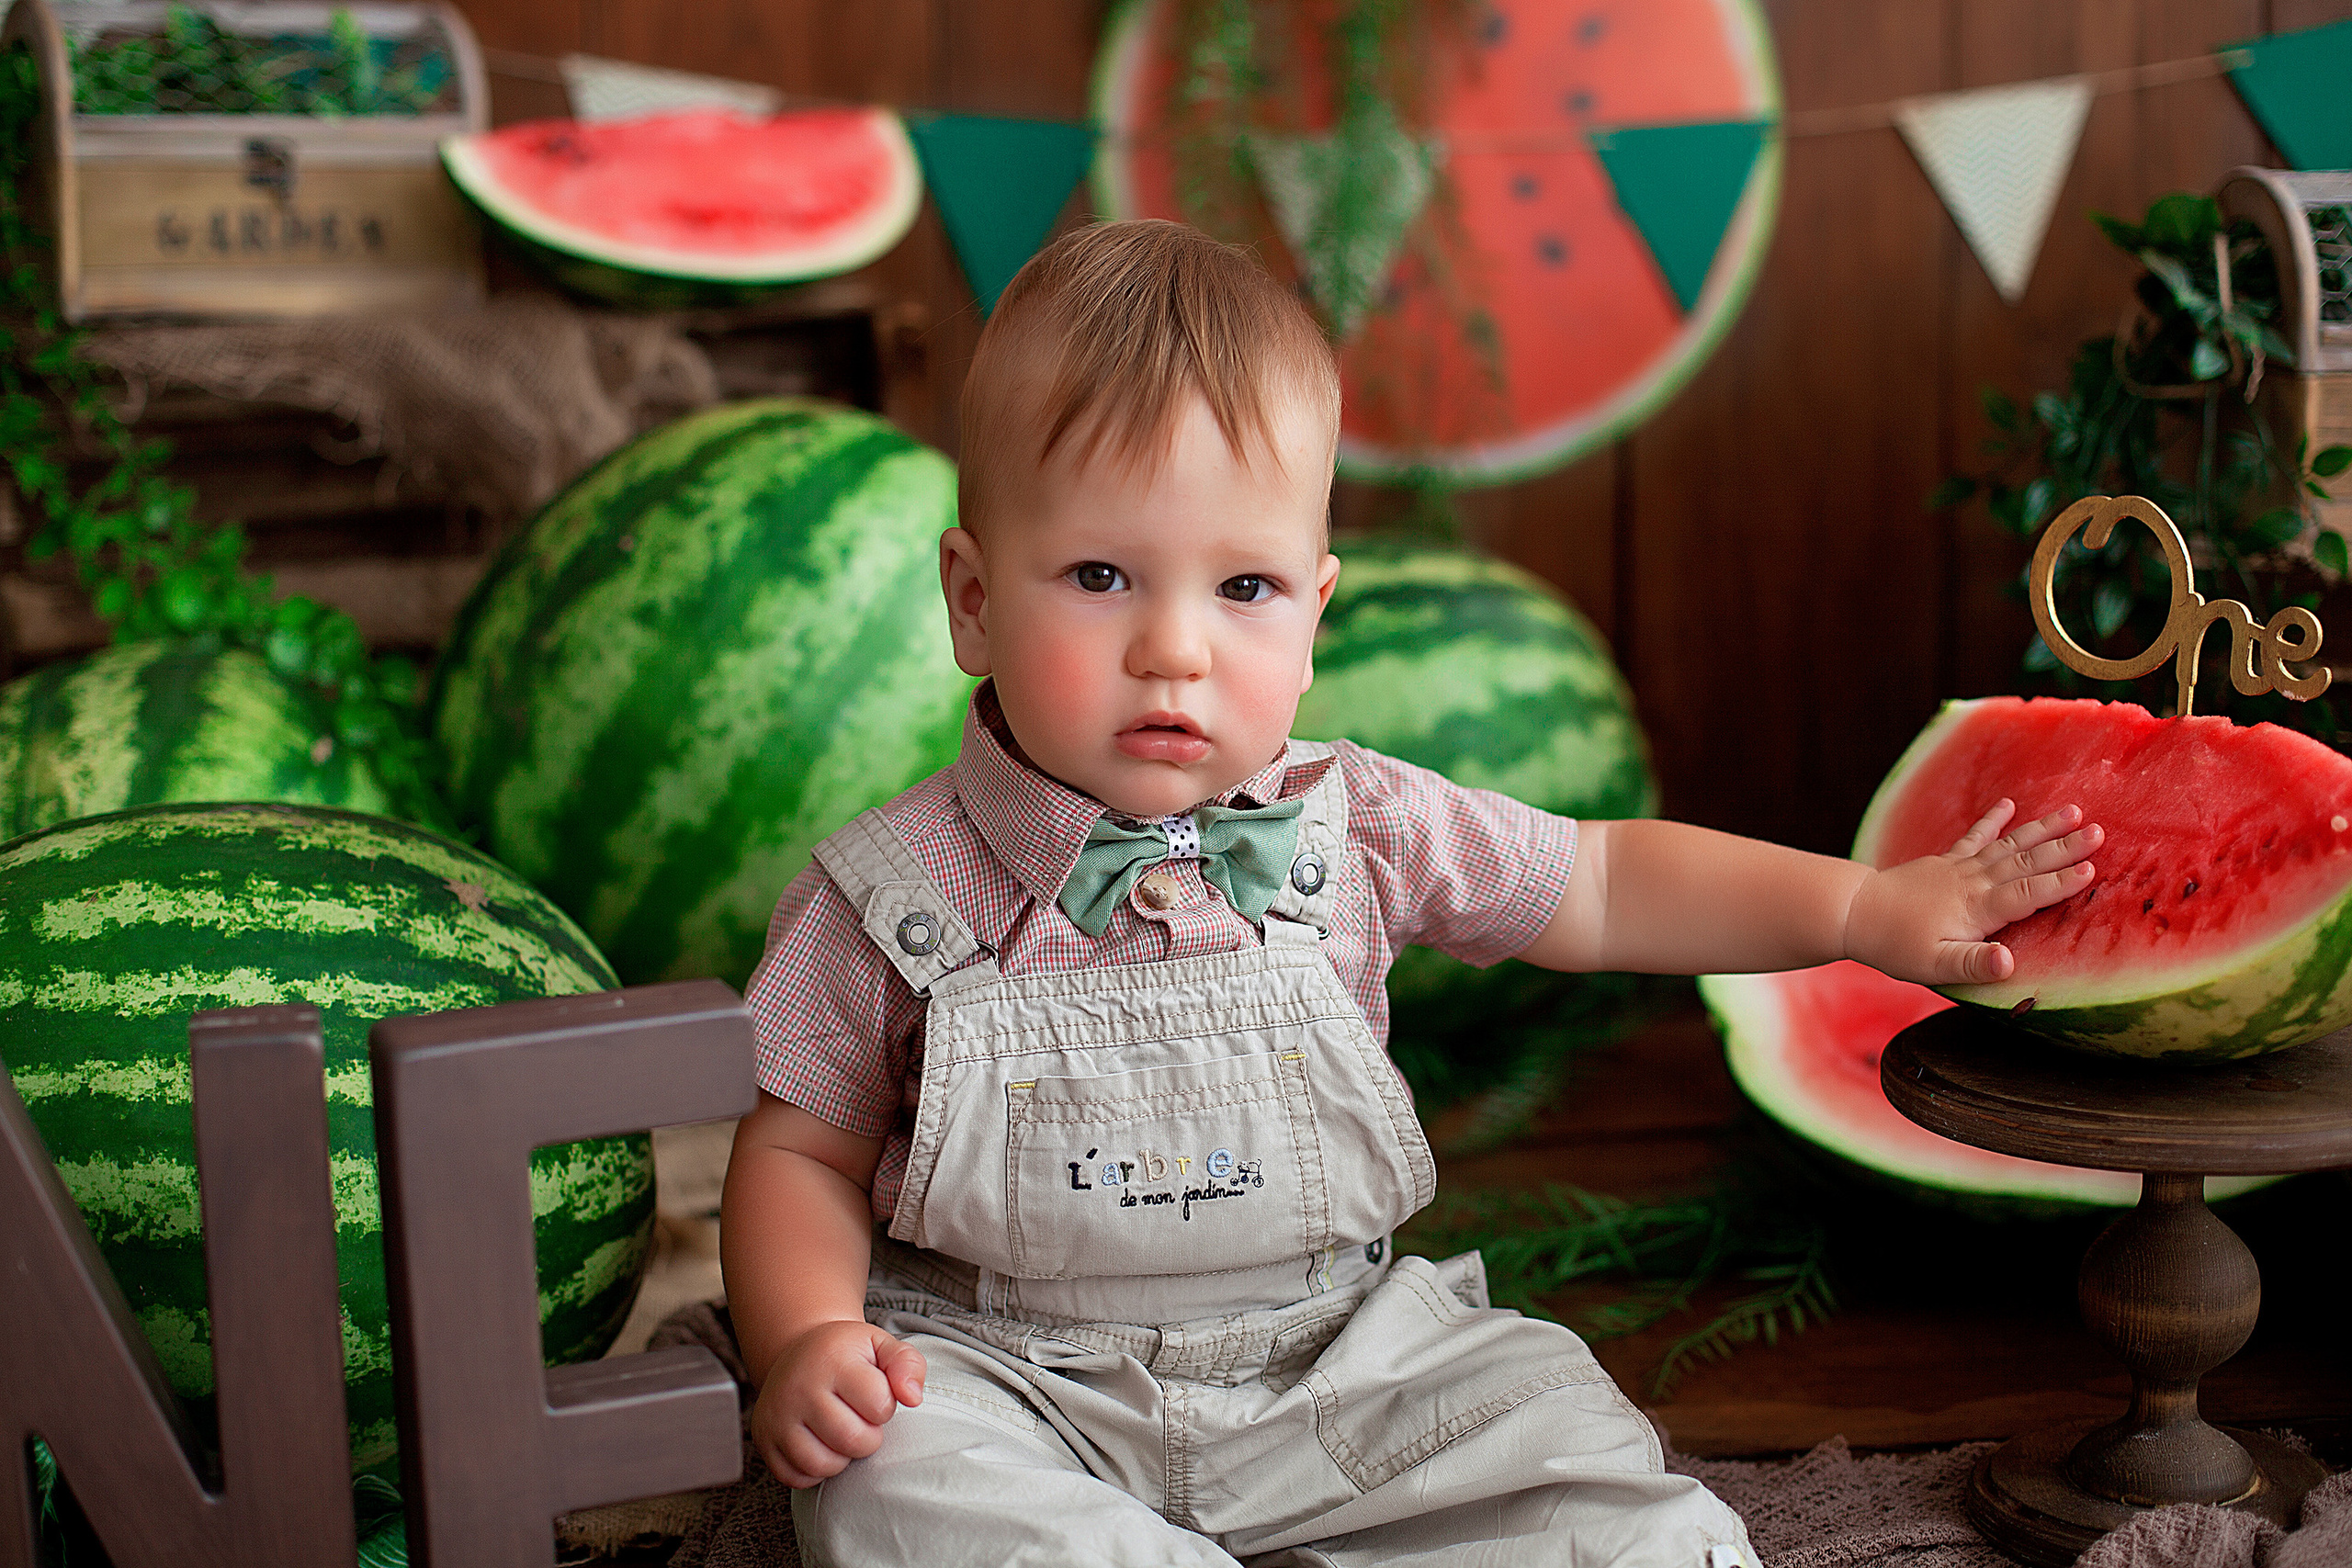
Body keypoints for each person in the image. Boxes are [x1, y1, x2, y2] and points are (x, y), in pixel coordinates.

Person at [720, 220, 2100, 1568]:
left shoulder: (1362, 825)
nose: (1175, 648)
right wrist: (809, 1341)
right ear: (970, 598)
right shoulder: (882, 896)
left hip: (1335, 1373)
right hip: (1011, 1381)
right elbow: (800, 1157)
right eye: (1099, 576)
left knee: (1563, 1433)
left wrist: (1859, 911)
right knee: (890, 1483)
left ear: (1315, 615)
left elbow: (1608, 884)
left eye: (1244, 586)